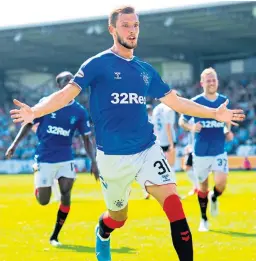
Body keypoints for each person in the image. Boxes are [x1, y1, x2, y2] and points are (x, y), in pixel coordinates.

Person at [9, 7, 245, 261]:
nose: (132, 31)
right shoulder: (96, 64)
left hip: (147, 149)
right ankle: (103, 230)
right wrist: (34, 111)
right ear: (112, 30)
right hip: (112, 158)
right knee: (118, 217)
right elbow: (65, 94)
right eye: (125, 25)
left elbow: (177, 102)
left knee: (174, 205)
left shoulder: (145, 70)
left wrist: (214, 114)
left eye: (136, 25)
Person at [6, 71, 99, 246]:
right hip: (45, 157)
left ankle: (55, 235)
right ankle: (39, 186)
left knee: (66, 195)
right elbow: (28, 123)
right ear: (59, 86)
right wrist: (14, 145)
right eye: (66, 81)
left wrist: (93, 162)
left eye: (72, 80)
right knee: (44, 201)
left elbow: (86, 138)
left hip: (66, 158)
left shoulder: (79, 111)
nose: (70, 83)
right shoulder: (46, 104)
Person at [179, 67, 235, 232]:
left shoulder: (224, 100)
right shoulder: (195, 101)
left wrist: (227, 130)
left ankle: (214, 196)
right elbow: (182, 121)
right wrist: (191, 126)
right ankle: (204, 219)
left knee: (221, 183)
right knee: (202, 187)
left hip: (219, 150)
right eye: (208, 80)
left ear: (217, 81)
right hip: (201, 153)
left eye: (214, 80)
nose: (212, 83)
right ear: (202, 83)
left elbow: (227, 119)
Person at [152, 102, 177, 167]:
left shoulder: (156, 108)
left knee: (162, 166)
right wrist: (171, 144)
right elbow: (168, 127)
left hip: (159, 140)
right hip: (168, 140)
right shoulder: (169, 109)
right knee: (171, 166)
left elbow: (153, 126)